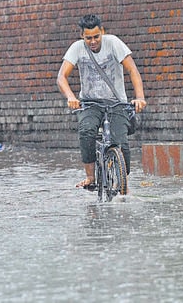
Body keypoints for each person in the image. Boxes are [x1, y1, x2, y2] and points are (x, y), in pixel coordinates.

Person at [57, 14, 147, 189]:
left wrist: (140, 97)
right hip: (90, 103)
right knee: (87, 131)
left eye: (96, 36)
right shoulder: (77, 48)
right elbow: (61, 77)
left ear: (102, 32)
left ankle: (122, 182)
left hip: (116, 102)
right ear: (82, 36)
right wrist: (71, 97)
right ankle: (90, 177)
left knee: (122, 143)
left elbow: (132, 70)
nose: (93, 41)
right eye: (88, 37)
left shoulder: (113, 43)